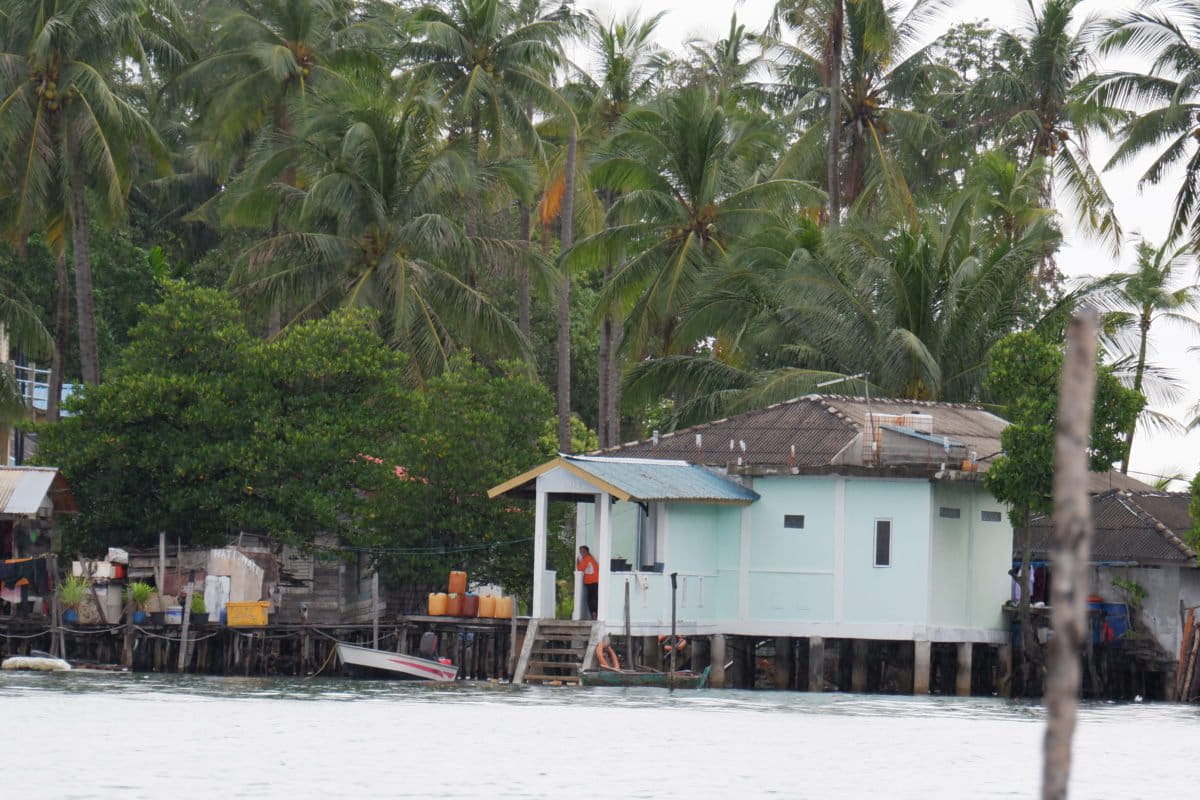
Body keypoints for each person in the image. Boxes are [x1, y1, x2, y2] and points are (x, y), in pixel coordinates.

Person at [577, 545, 599, 620]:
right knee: (594, 598)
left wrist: (578, 562)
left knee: (591, 599)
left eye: (583, 551)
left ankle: (594, 614)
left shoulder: (587, 559)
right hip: (595, 581)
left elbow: (580, 569)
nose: (582, 553)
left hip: (591, 581)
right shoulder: (591, 558)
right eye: (581, 552)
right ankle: (594, 614)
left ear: (587, 552)